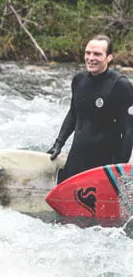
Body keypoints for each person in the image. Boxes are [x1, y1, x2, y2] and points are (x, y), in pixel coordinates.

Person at [47, 34, 133, 183]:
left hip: (103, 164)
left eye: (97, 54)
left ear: (109, 57)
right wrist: (58, 143)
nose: (90, 58)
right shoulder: (79, 80)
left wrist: (119, 169)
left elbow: (128, 131)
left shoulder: (120, 85)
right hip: (77, 158)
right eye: (88, 53)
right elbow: (73, 114)